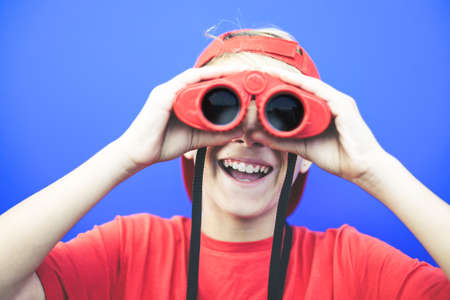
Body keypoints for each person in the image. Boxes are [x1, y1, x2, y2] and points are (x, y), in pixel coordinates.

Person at [2, 28, 449, 300]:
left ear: (308, 152)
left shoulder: (351, 264)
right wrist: (126, 152)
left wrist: (373, 166)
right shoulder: (130, 249)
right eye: (221, 110)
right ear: (191, 141)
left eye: (283, 117)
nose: (250, 136)